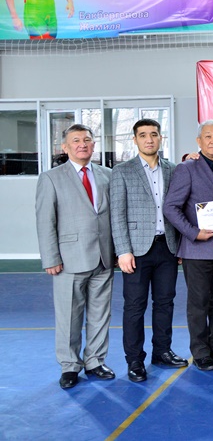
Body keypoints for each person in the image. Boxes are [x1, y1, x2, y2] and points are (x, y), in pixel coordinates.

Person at [35, 124, 114, 389]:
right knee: (69, 316)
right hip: (69, 259)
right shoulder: (51, 178)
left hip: (104, 257)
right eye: (76, 140)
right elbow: (45, 221)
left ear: (94, 145)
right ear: (65, 147)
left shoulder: (107, 175)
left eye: (87, 140)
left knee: (100, 315)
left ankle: (95, 361)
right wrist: (50, 257)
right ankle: (70, 365)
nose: (83, 144)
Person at [163, 120, 213, 371]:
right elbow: (171, 207)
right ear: (199, 141)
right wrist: (193, 233)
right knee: (198, 304)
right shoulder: (187, 168)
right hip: (198, 250)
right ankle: (200, 352)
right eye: (208, 136)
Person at [110, 119, 187, 383]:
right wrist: (123, 250)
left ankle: (162, 351)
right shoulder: (122, 171)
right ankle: (134, 360)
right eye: (143, 135)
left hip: (167, 247)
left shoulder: (173, 169)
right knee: (134, 307)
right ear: (135, 140)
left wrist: (180, 244)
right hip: (136, 250)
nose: (149, 139)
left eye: (153, 134)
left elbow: (179, 208)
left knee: (165, 303)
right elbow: (117, 214)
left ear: (160, 137)